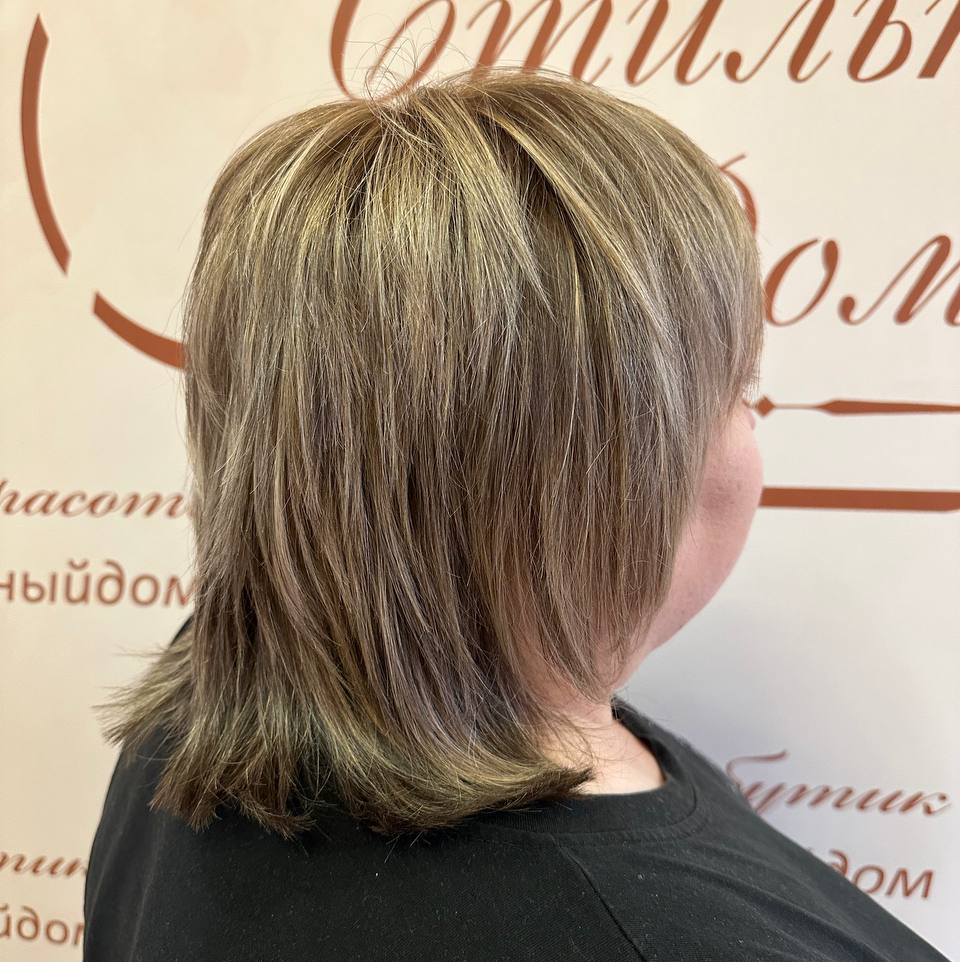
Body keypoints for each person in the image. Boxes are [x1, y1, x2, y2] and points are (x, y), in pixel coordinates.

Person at [82, 65, 948, 961]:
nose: (752, 427)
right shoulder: (668, 938)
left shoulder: (205, 700)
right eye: (737, 391)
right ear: (606, 477)